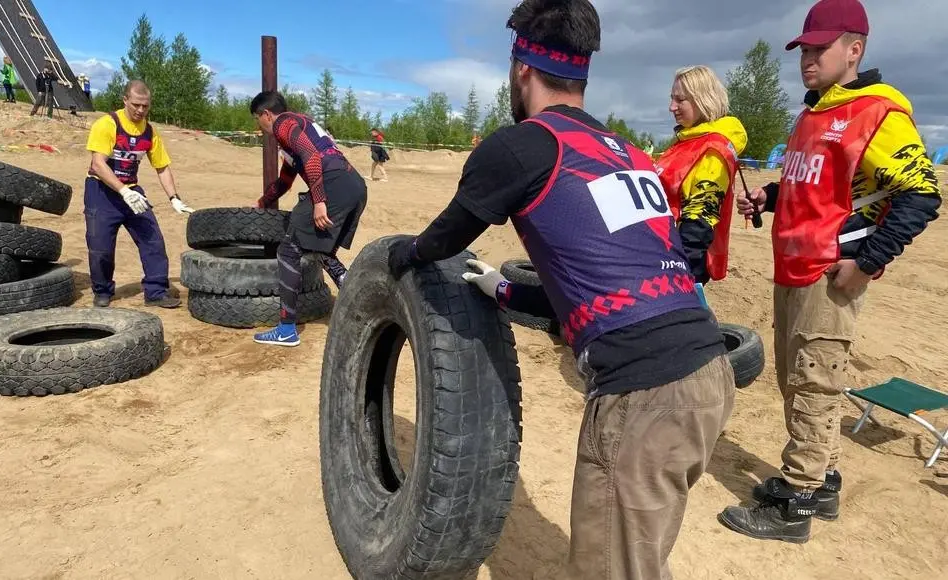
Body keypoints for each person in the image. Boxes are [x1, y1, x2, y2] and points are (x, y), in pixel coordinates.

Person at [386, 0, 735, 577]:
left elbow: (446, 237)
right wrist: (503, 290)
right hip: (707, 376)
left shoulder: (519, 145)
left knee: (610, 568)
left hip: (641, 395)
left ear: (521, 67)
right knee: (639, 554)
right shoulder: (629, 154)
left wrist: (403, 255)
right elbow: (603, 287)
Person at [719, 0, 941, 543]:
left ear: (854, 49)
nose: (808, 58)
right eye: (805, 48)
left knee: (815, 383)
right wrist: (769, 197)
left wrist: (866, 264)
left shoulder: (876, 113)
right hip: (792, 268)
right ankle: (822, 481)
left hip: (827, 275)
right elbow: (811, 185)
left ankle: (796, 503)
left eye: (821, 48)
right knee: (798, 382)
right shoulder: (814, 111)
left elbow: (922, 194)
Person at [249, 91, 368, 347]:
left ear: (266, 115)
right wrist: (262, 201)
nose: (259, 125)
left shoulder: (283, 124)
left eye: (257, 119)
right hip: (354, 186)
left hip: (333, 184)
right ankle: (360, 302)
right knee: (320, 249)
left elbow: (312, 158)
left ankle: (286, 329)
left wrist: (320, 200)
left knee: (288, 250)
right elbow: (284, 181)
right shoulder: (298, 130)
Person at [84, 79, 194, 309]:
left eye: (145, 106)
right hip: (101, 191)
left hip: (132, 191)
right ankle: (103, 290)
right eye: (136, 105)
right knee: (100, 246)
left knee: (152, 239)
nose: (140, 110)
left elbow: (162, 166)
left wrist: (174, 198)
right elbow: (98, 164)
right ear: (125, 100)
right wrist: (123, 191)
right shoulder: (107, 124)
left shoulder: (150, 131)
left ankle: (155, 291)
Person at [654, 65, 747, 284]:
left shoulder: (712, 149)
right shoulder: (686, 142)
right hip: (662, 251)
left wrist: (682, 276)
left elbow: (700, 220)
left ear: (702, 100)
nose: (671, 107)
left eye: (680, 100)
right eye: (671, 98)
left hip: (680, 261)